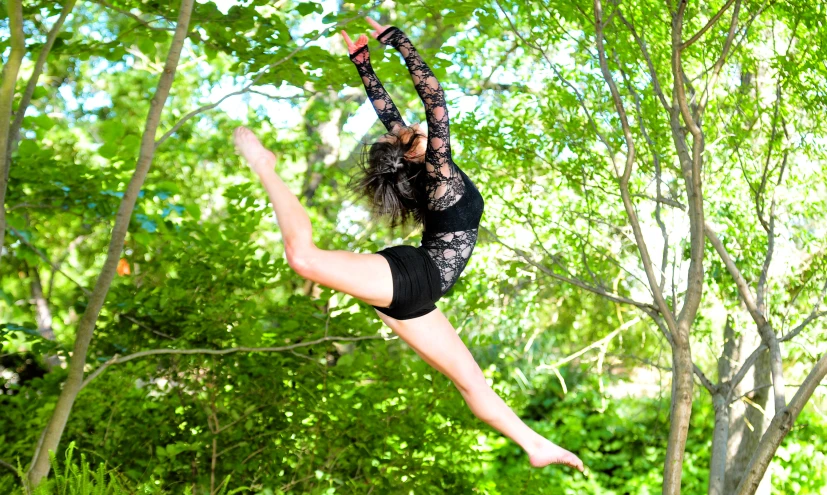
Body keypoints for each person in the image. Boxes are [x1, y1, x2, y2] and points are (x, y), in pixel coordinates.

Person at [232, 17, 584, 472]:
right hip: (414, 277)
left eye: (410, 128)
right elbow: (432, 96)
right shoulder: (436, 173)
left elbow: (393, 113)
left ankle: (534, 444)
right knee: (304, 258)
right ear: (420, 149)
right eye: (414, 131)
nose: (414, 125)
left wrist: (363, 62)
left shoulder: (425, 170)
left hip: (419, 291)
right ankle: (265, 166)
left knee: (473, 385)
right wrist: (394, 42)